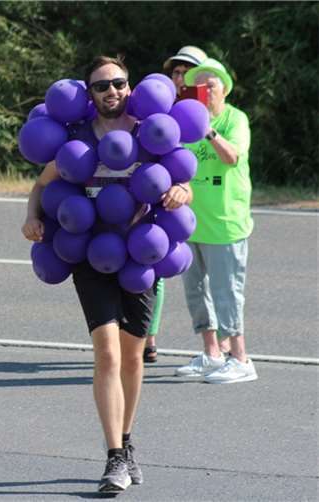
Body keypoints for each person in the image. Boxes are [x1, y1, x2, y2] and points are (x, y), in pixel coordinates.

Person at [22, 56, 192, 492]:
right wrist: (31, 217)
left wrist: (180, 191)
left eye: (118, 83)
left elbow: (183, 183)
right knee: (108, 355)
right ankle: (114, 456)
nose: (111, 91)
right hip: (92, 255)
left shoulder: (149, 133)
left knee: (133, 358)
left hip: (141, 256)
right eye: (101, 86)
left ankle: (127, 441)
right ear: (90, 93)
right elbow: (42, 183)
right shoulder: (77, 138)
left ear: (129, 87)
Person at [174, 59, 258, 384]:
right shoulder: (185, 122)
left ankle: (241, 359)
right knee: (196, 292)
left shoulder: (235, 119)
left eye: (211, 85)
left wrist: (207, 130)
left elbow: (231, 157)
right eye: (199, 86)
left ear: (224, 89)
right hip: (190, 222)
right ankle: (212, 354)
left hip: (225, 224)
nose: (205, 91)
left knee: (227, 293)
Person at [144, 45, 209, 364]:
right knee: (152, 268)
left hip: (210, 210)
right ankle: (148, 338)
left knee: (210, 282)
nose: (180, 77)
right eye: (176, 72)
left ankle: (219, 349)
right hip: (168, 200)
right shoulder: (159, 110)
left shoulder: (213, 113)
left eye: (187, 72)